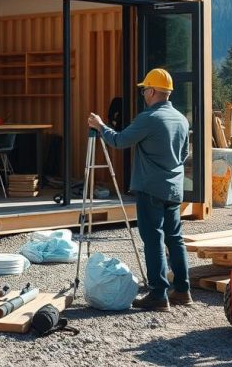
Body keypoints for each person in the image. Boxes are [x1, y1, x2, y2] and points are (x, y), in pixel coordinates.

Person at [87, 68, 191, 312]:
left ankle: (158, 295)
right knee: (175, 238)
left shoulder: (149, 117)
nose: (143, 93)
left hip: (151, 188)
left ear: (153, 91)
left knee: (153, 239)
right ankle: (183, 290)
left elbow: (119, 141)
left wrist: (101, 125)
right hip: (173, 188)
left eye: (145, 89)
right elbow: (184, 154)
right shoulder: (181, 119)